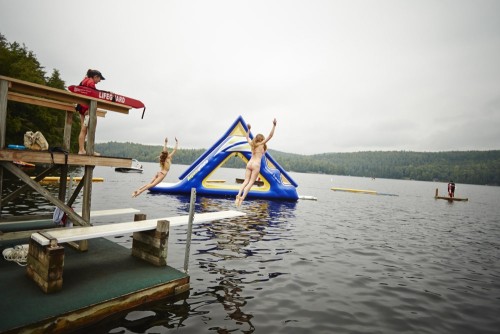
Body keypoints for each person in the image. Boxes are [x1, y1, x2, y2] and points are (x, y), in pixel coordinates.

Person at [235, 118, 277, 206]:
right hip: (256, 165)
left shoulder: (252, 144)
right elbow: (270, 136)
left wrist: (249, 130)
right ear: (261, 139)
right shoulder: (261, 144)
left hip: (249, 163)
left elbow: (247, 137)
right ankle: (242, 198)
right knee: (250, 183)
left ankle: (238, 194)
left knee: (245, 181)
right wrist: (274, 125)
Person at [76, 69, 105, 155]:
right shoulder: (90, 83)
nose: (99, 81)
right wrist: (89, 110)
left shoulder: (84, 80)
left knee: (83, 129)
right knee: (91, 129)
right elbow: (93, 96)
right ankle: (89, 150)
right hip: (87, 109)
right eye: (99, 79)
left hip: (80, 107)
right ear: (95, 77)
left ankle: (81, 149)